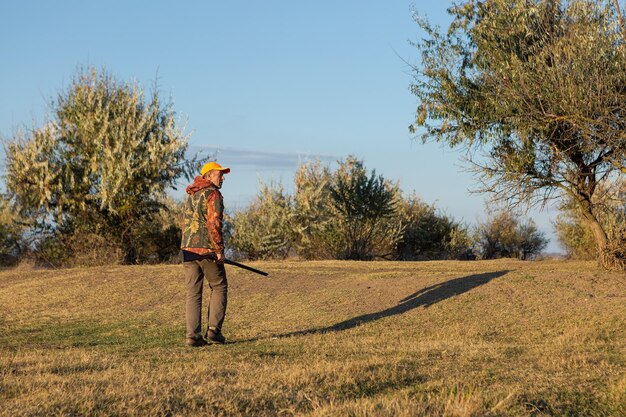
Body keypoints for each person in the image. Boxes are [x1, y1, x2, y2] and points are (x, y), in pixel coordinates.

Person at [180, 161, 230, 347]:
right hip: (207, 250)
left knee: (193, 293)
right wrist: (219, 250)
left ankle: (192, 336)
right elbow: (214, 224)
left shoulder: (191, 194)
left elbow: (184, 222)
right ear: (209, 175)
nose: (223, 177)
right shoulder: (213, 194)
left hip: (187, 248)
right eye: (220, 174)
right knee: (219, 285)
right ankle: (214, 331)